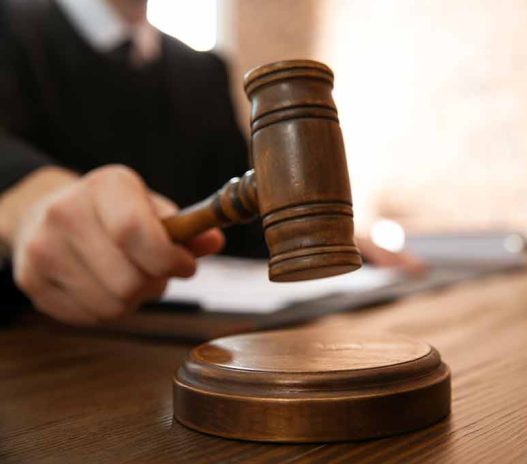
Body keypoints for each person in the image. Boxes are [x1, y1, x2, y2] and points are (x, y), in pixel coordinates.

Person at [0, 0, 422, 326]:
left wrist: (337, 234)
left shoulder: (202, 70)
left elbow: (253, 224)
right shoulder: (11, 25)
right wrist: (25, 199)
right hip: (39, 353)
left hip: (182, 345)